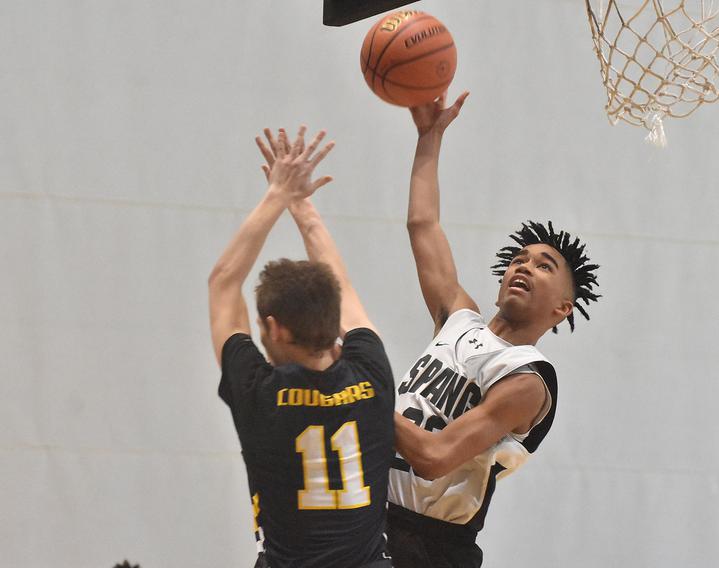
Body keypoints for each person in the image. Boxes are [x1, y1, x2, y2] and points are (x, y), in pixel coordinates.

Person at [386, 93, 602, 567]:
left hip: (429, 547)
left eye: (544, 266)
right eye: (519, 260)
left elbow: (435, 455)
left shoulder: (529, 379)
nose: (525, 266)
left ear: (564, 308)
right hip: (372, 521)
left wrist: (364, 395)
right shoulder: (458, 316)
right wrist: (429, 137)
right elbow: (423, 225)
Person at [209, 126, 395, 568]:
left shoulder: (260, 394)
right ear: (335, 323)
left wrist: (278, 193)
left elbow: (222, 283)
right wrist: (303, 208)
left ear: (274, 329)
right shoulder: (372, 372)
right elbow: (343, 288)